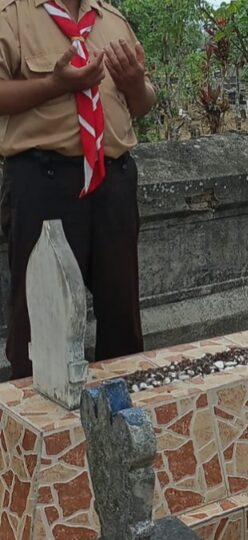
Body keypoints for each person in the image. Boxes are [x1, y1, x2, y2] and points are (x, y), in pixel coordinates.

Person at [0, 0, 155, 380]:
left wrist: (137, 84)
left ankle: (119, 420)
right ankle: (37, 425)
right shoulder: (12, 15)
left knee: (121, 314)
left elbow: (142, 102)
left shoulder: (112, 19)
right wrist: (55, 85)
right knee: (40, 320)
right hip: (44, 182)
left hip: (114, 180)